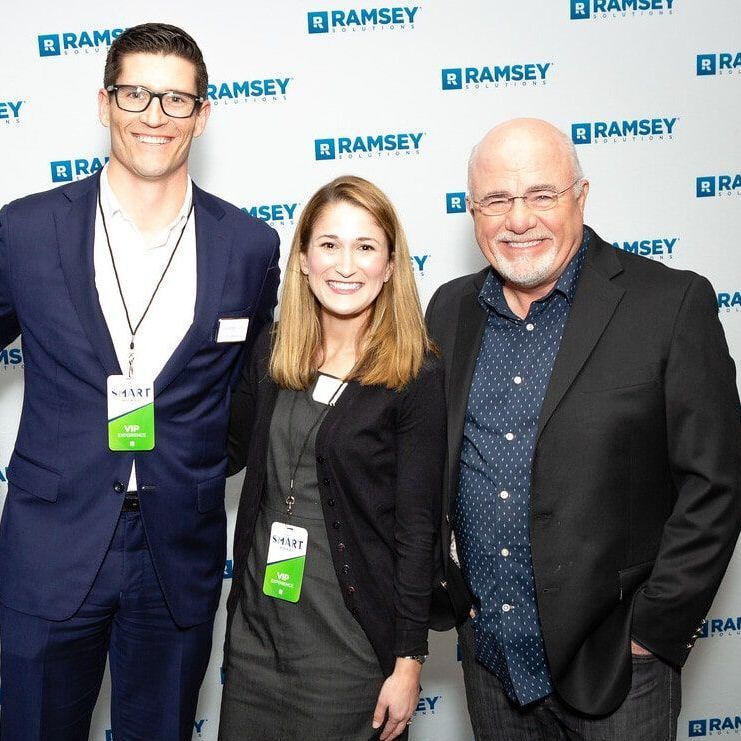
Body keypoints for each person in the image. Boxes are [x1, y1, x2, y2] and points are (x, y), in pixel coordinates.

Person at [0, 23, 279, 740]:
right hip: (50, 550)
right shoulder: (25, 231)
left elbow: (261, 386)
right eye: (136, 94)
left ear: (203, 114)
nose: (154, 115)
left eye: (176, 99)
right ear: (104, 102)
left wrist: (199, 463)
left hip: (176, 552)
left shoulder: (250, 246)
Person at [426, 118, 741, 740]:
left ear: (581, 196)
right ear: (472, 210)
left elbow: (717, 483)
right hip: (492, 663)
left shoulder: (670, 304)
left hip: (619, 670)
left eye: (542, 194)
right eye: (497, 200)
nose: (519, 220)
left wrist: (654, 630)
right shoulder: (449, 308)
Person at [219, 175, 446, 741]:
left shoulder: (415, 374)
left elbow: (419, 530)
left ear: (391, 266)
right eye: (329, 245)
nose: (346, 265)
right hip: (256, 634)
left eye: (365, 247)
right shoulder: (273, 351)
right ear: (301, 259)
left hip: (346, 646)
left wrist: (409, 660)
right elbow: (220, 450)